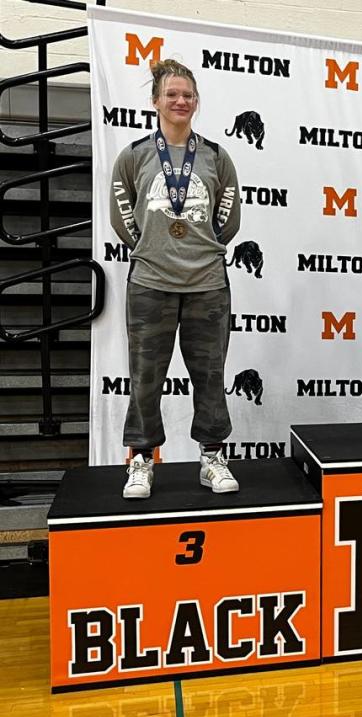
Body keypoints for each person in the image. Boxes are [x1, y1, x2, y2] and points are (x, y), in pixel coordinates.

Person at [109, 59, 241, 499]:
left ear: (196, 101)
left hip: (207, 284)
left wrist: (198, 247)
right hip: (150, 283)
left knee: (210, 376)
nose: (180, 101)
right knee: (145, 377)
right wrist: (152, 248)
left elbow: (229, 219)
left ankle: (212, 456)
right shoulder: (134, 155)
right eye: (171, 95)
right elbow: (121, 213)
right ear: (155, 102)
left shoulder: (217, 157)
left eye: (187, 95)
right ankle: (142, 461)